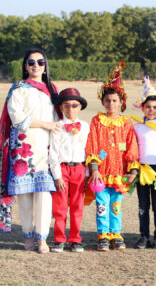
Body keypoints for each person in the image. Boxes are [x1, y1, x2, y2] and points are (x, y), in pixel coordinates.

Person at [0, 48, 62, 253]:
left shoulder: (52, 89)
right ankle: (28, 236)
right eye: (31, 62)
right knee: (25, 194)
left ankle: (42, 238)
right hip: (24, 149)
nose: (36, 65)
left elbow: (58, 120)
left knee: (44, 194)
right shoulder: (18, 89)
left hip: (46, 148)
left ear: (46, 66)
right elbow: (17, 119)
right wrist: (46, 124)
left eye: (40, 62)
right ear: (25, 65)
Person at [85, 61, 139, 251]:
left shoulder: (126, 124)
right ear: (102, 102)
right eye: (107, 100)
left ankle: (115, 233)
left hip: (118, 173)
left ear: (121, 102)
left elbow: (132, 146)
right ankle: (103, 235)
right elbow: (92, 143)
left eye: (114, 101)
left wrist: (132, 170)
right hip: (100, 173)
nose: (111, 104)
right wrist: (94, 169)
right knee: (102, 205)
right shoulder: (97, 121)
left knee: (116, 205)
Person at [131, 76, 156, 250]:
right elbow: (132, 150)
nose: (151, 109)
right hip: (141, 169)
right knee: (143, 205)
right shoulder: (136, 127)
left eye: (155, 107)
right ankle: (143, 236)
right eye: (148, 106)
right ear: (142, 107)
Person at [49, 88, 89, 253]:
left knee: (77, 206)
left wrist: (86, 174)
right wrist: (57, 176)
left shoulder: (85, 126)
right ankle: (59, 239)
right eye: (66, 105)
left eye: (74, 105)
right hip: (62, 169)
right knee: (59, 207)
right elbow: (53, 153)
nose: (70, 109)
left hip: (79, 169)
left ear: (79, 107)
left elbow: (89, 150)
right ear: (61, 108)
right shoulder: (57, 127)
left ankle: (75, 239)